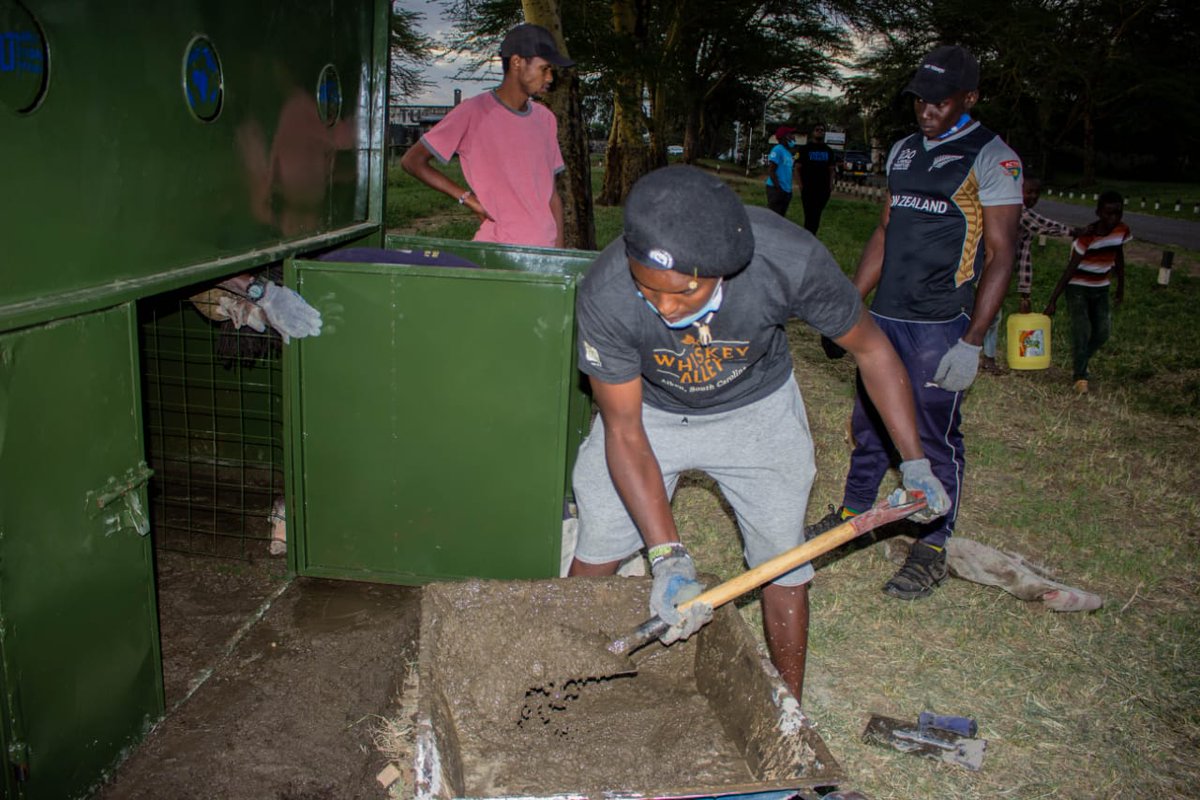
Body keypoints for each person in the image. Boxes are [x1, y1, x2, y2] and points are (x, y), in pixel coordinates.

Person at [567, 165, 951, 702]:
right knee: (599, 542)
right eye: (646, 288)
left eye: (682, 292)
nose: (662, 306)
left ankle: (788, 713)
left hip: (757, 410)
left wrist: (913, 460)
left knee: (783, 561)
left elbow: (872, 350)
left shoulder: (787, 260)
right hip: (649, 414)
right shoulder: (606, 294)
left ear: (723, 270)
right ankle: (562, 676)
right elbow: (625, 431)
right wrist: (667, 556)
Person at [814, 45, 1023, 600]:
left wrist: (973, 341)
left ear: (969, 98)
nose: (926, 109)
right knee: (871, 426)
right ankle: (855, 516)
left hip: (940, 324)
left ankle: (931, 544)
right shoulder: (904, 152)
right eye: (919, 99)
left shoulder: (992, 157)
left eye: (940, 100)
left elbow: (1002, 254)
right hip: (883, 318)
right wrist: (849, 306)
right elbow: (884, 232)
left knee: (932, 438)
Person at [400, 23, 573, 247]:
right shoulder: (474, 112)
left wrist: (558, 256)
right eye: (544, 69)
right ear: (517, 62)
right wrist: (469, 200)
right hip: (500, 248)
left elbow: (551, 195)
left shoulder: (545, 119)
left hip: (544, 251)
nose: (549, 78)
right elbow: (412, 161)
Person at [980, 176, 1083, 372]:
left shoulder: (1021, 219)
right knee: (986, 312)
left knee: (992, 313)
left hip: (995, 271)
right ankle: (983, 356)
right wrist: (1073, 231)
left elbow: (1024, 255)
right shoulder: (1014, 210)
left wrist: (1025, 292)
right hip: (980, 266)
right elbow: (1042, 225)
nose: (1032, 196)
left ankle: (988, 358)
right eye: (1028, 191)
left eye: (1036, 193)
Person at [1044, 191, 1129, 395]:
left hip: (1101, 287)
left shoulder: (1121, 230)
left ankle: (1081, 359)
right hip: (1078, 288)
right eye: (1108, 214)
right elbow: (1070, 269)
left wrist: (1120, 287)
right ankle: (1080, 376)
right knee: (1081, 331)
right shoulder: (1086, 237)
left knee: (1102, 331)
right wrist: (1053, 300)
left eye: (1117, 214)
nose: (1113, 219)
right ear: (1099, 212)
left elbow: (1119, 255)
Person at [795, 122, 837, 235]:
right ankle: (807, 236)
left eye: (822, 130)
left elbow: (831, 169)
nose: (820, 132)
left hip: (823, 189)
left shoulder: (828, 150)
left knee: (817, 214)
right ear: (813, 132)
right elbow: (797, 168)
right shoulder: (804, 149)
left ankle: (812, 235)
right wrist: (800, 185)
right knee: (809, 215)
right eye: (817, 130)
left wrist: (830, 184)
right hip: (808, 188)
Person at [763, 126, 796, 217]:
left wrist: (788, 191)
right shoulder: (777, 150)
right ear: (784, 137)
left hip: (786, 190)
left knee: (781, 219)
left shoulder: (788, 153)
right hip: (776, 189)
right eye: (791, 134)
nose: (793, 137)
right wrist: (779, 189)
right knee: (773, 218)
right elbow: (771, 170)